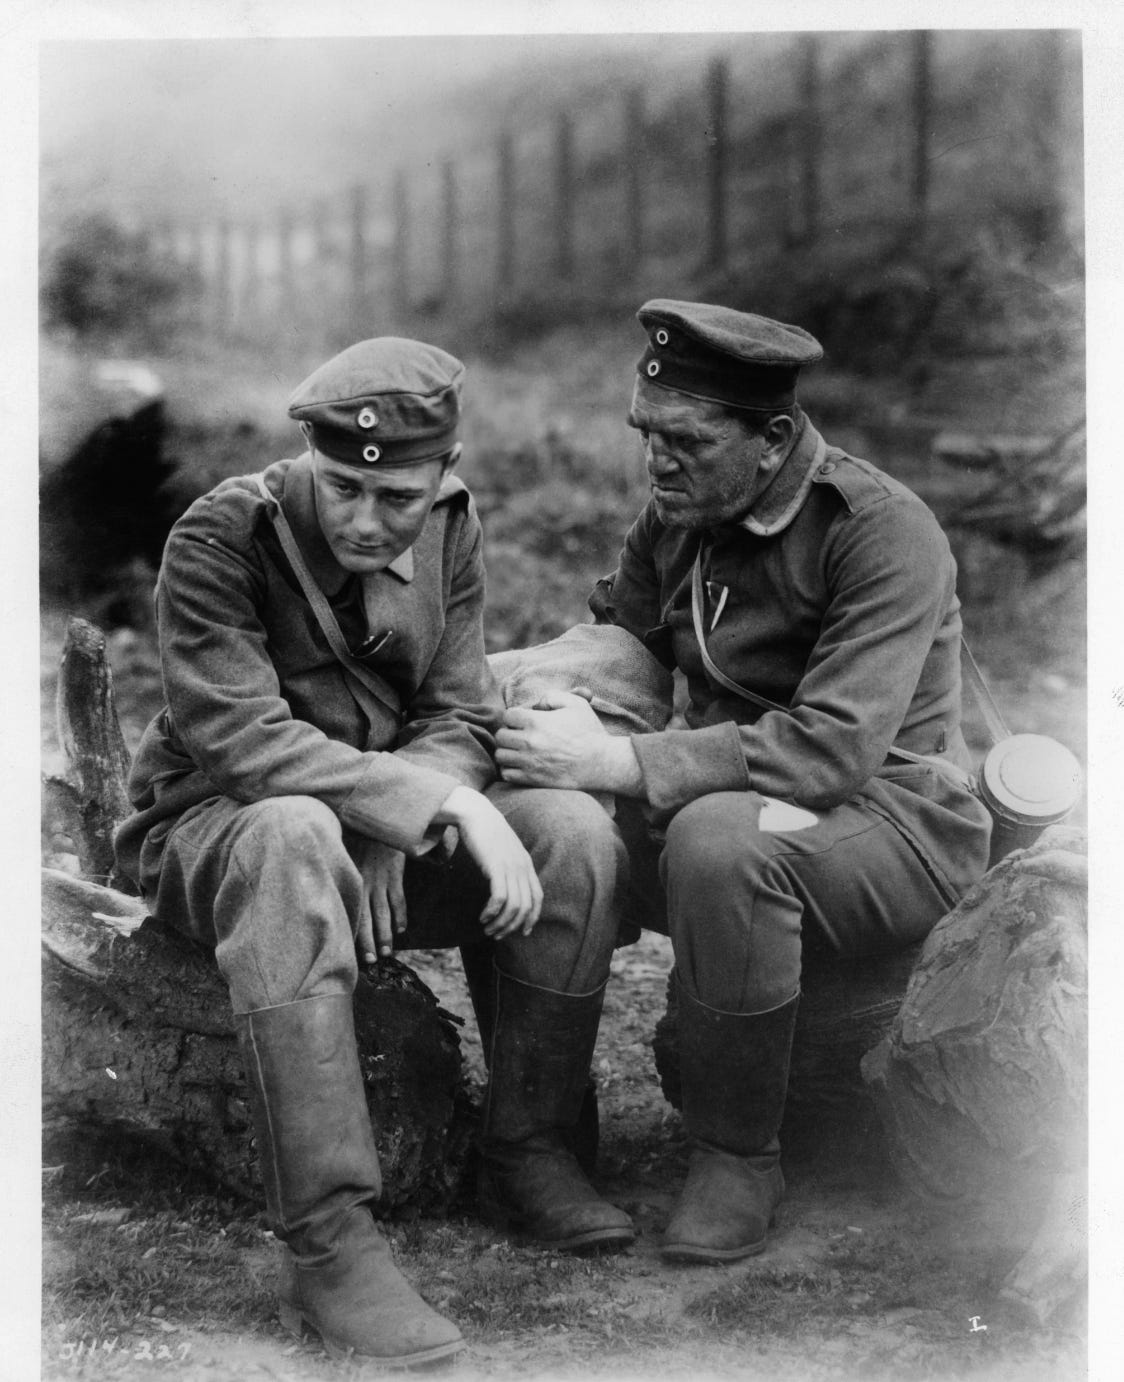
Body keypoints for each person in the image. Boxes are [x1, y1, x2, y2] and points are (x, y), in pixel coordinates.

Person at [112, 337, 632, 1369]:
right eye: (341, 487)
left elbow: (453, 706)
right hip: (224, 834)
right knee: (299, 830)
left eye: (393, 495)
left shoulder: (451, 527)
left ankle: (523, 1146)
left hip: (366, 830)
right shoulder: (223, 535)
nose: (363, 518)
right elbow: (242, 741)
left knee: (567, 828)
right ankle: (330, 1242)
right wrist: (421, 802)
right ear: (308, 460)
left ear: (439, 475)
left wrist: (414, 819)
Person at [493, 299, 993, 1265]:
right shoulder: (682, 516)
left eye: (686, 440)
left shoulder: (881, 531)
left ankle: (736, 1156)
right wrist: (523, 695)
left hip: (891, 821)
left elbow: (837, 748)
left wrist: (620, 760)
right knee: (562, 827)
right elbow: (624, 647)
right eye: (647, 436)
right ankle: (537, 1138)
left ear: (772, 440)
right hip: (734, 805)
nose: (658, 463)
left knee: (720, 841)